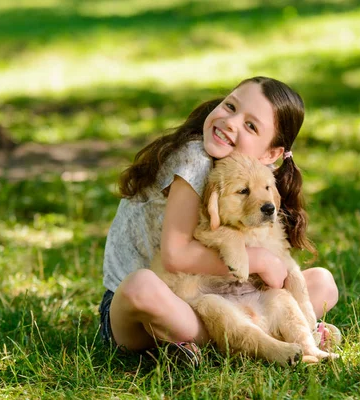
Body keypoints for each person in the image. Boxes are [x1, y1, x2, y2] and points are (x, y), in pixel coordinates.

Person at [99, 76, 340, 367]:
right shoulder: (194, 158)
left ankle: (213, 344)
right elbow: (175, 256)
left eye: (250, 126)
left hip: (220, 294)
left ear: (271, 155)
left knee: (323, 284)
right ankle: (242, 339)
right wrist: (261, 261)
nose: (230, 122)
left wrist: (273, 268)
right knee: (141, 286)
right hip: (148, 308)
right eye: (230, 106)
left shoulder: (253, 176)